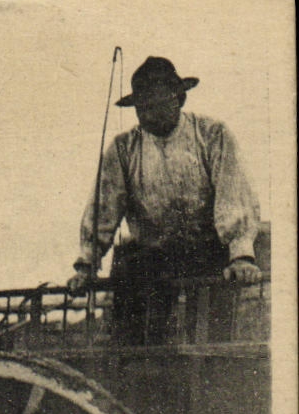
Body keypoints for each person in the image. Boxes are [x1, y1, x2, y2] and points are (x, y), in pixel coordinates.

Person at [68, 56, 262, 345]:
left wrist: (241, 255)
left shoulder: (212, 135)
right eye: (142, 108)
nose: (149, 114)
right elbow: (103, 207)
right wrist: (86, 264)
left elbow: (233, 195)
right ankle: (135, 370)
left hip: (207, 252)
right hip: (152, 255)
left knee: (214, 336)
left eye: (157, 104)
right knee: (135, 325)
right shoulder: (123, 149)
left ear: (178, 99)